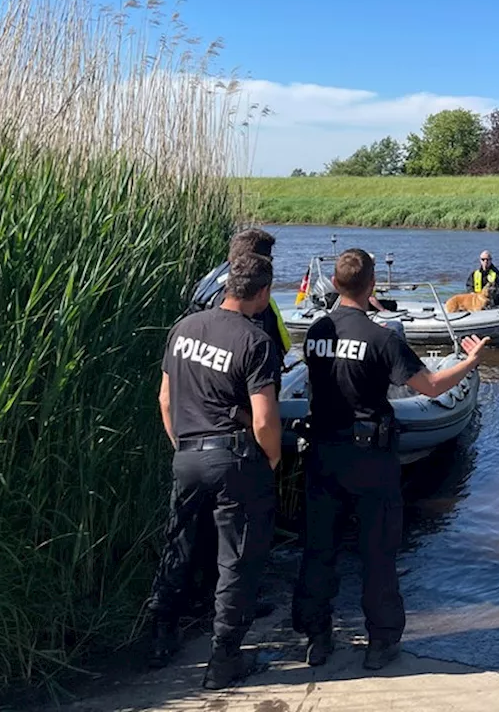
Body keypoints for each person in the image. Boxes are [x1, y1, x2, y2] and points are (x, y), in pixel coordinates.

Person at [291, 248, 488, 670]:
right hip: (369, 458)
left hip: (324, 455)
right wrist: (470, 361)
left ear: (337, 285)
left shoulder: (315, 333)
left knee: (320, 548)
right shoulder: (381, 338)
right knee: (378, 552)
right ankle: (380, 643)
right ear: (372, 285)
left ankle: (317, 638)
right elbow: (432, 386)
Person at [147, 253, 283, 690]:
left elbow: (165, 399)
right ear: (261, 293)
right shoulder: (255, 340)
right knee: (236, 559)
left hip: (186, 455)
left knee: (179, 545)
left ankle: (158, 638)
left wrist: (182, 445)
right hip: (234, 458)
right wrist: (272, 459)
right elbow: (263, 419)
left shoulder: (183, 328)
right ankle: (224, 660)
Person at [188, 227, 292, 362]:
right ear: (256, 261)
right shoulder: (247, 292)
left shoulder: (212, 279)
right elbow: (254, 345)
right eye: (270, 259)